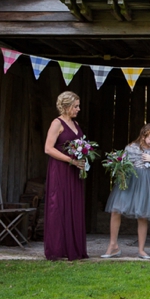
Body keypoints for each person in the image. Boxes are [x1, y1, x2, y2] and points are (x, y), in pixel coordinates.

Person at [102, 123, 150, 260]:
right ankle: (113, 246)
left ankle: (141, 250)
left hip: (148, 184)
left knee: (143, 215)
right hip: (130, 183)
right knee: (116, 210)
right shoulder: (131, 148)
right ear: (143, 136)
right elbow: (122, 163)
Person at [43, 91, 89, 261]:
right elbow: (48, 148)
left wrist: (82, 158)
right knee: (59, 205)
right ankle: (57, 248)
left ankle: (72, 247)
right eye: (76, 106)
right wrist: (70, 160)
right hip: (60, 170)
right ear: (67, 106)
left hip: (74, 171)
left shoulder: (75, 123)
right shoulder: (57, 123)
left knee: (73, 205)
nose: (78, 109)